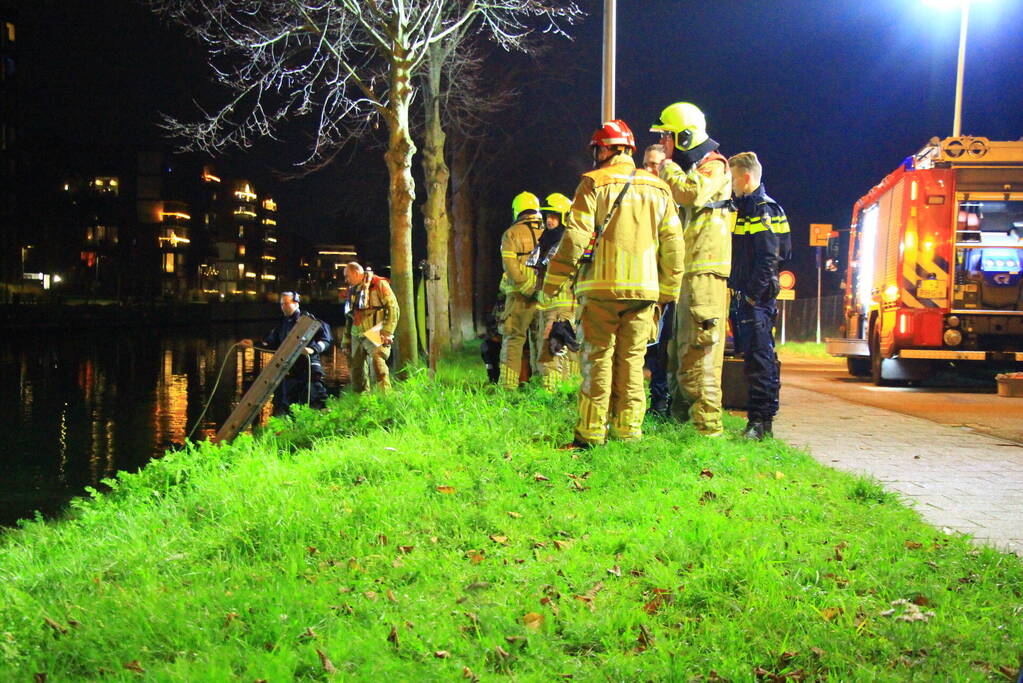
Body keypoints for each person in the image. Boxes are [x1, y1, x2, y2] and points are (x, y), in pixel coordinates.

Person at [542, 119, 684, 447]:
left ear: (609, 149)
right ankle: (628, 432)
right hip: (644, 292)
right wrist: (667, 293)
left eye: (598, 148)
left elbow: (575, 238)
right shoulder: (660, 188)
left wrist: (553, 282)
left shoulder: (593, 183)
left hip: (601, 290)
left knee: (597, 359)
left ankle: (591, 435)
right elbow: (674, 245)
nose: (596, 154)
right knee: (632, 363)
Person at [651, 101, 733, 437]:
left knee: (700, 355)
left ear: (684, 137)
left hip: (705, 275)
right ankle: (683, 428)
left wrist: (666, 167)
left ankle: (707, 432)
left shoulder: (713, 167)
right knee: (680, 352)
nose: (664, 145)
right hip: (690, 273)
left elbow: (689, 193)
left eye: (667, 138)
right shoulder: (696, 167)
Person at [728, 152, 791, 440]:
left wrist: (753, 295)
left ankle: (760, 422)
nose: (730, 186)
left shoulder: (761, 209)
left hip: (757, 299)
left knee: (760, 360)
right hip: (753, 297)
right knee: (755, 358)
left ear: (746, 178)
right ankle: (760, 421)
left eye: (732, 179)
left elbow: (770, 257)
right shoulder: (748, 207)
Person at [244, 291, 332, 416]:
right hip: (290, 370)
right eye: (281, 304)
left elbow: (326, 338)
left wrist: (314, 349)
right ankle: (294, 431)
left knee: (316, 399)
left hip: (308, 366)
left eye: (286, 303)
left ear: (296, 303)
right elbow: (271, 344)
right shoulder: (282, 325)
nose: (283, 307)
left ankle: (321, 429)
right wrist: (253, 344)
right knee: (289, 405)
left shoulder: (308, 320)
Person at [497, 192, 546, 390]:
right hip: (545, 296)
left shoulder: (511, 233)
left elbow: (510, 265)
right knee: (541, 340)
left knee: (513, 339)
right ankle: (541, 385)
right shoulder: (550, 230)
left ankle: (508, 386)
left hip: (519, 297)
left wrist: (525, 287)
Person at [529, 192, 578, 389]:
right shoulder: (545, 241)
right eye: (547, 216)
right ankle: (558, 390)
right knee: (550, 348)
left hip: (562, 304)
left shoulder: (566, 243)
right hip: (547, 303)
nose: (549, 221)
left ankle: (553, 394)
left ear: (564, 217)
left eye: (554, 217)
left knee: (555, 350)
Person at [340, 262, 399, 393]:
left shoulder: (379, 284)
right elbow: (349, 318)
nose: (346, 280)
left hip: (375, 330)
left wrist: (387, 331)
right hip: (357, 332)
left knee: (377, 365)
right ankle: (361, 401)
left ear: (356, 273)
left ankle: (383, 399)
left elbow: (393, 308)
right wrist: (346, 341)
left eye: (347, 276)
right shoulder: (352, 290)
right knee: (356, 370)